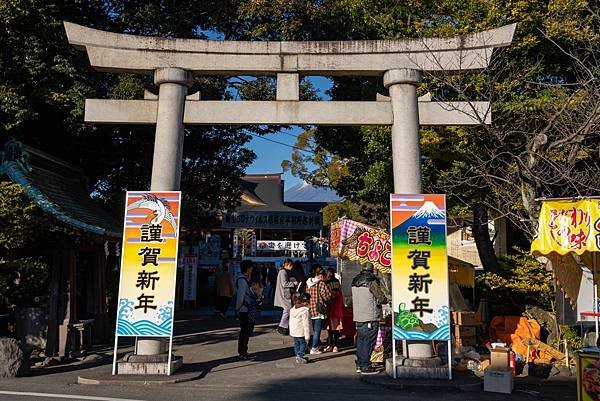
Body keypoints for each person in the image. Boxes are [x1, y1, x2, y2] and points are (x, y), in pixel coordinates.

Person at [351, 262, 387, 375]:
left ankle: (361, 364)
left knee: (361, 341)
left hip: (358, 316)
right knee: (368, 342)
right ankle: (366, 366)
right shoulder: (371, 281)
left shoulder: (355, 280)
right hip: (369, 316)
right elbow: (380, 298)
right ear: (372, 270)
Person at [235, 260, 258, 360]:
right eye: (251, 268)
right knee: (245, 332)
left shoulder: (244, 279)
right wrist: (237, 309)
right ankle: (242, 352)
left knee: (246, 331)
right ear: (248, 268)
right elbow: (240, 297)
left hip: (246, 310)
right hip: (244, 310)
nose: (252, 269)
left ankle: (244, 351)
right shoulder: (242, 280)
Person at [306, 267, 332, 354]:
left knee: (311, 330)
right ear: (320, 275)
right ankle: (314, 348)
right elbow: (327, 296)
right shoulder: (321, 284)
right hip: (318, 309)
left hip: (309, 308)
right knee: (317, 330)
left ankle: (309, 346)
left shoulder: (308, 283)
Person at [274, 259, 296, 335]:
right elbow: (284, 284)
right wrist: (293, 283)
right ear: (287, 264)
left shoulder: (282, 271)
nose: (292, 267)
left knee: (287, 310)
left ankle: (283, 327)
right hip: (284, 295)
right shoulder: (283, 272)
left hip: (283, 294)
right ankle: (282, 326)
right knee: (287, 310)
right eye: (291, 265)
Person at [289, 292, 312, 364]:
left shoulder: (292, 309)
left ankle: (297, 356)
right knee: (304, 344)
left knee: (296, 344)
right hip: (301, 331)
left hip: (294, 331)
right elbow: (306, 324)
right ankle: (300, 355)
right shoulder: (305, 311)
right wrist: (307, 336)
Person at [325, 267, 344, 352]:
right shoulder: (337, 283)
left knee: (330, 329)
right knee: (336, 328)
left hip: (329, 310)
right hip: (337, 311)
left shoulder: (326, 283)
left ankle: (330, 345)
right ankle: (335, 345)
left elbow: (326, 296)